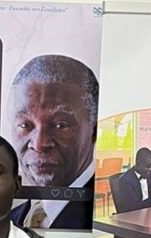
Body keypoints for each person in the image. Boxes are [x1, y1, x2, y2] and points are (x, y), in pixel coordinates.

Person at [7, 54, 99, 229]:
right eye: (25, 125)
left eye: (60, 125)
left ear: (94, 130)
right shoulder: (9, 221)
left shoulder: (106, 222)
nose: (39, 144)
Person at [115, 148, 151, 213]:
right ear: (138, 163)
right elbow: (134, 207)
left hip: (147, 213)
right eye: (147, 166)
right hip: (132, 215)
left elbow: (149, 195)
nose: (149, 170)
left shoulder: (150, 175)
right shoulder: (125, 180)